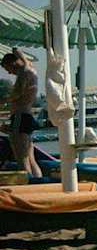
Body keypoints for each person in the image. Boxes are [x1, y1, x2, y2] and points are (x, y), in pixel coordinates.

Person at [2, 49, 42, 178]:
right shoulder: (31, 70)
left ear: (12, 63)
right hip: (27, 116)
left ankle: (29, 185)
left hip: (20, 115)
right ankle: (38, 182)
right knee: (29, 157)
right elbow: (19, 54)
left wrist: (4, 100)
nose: (8, 72)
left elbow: (17, 94)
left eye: (7, 68)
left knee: (21, 157)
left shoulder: (24, 73)